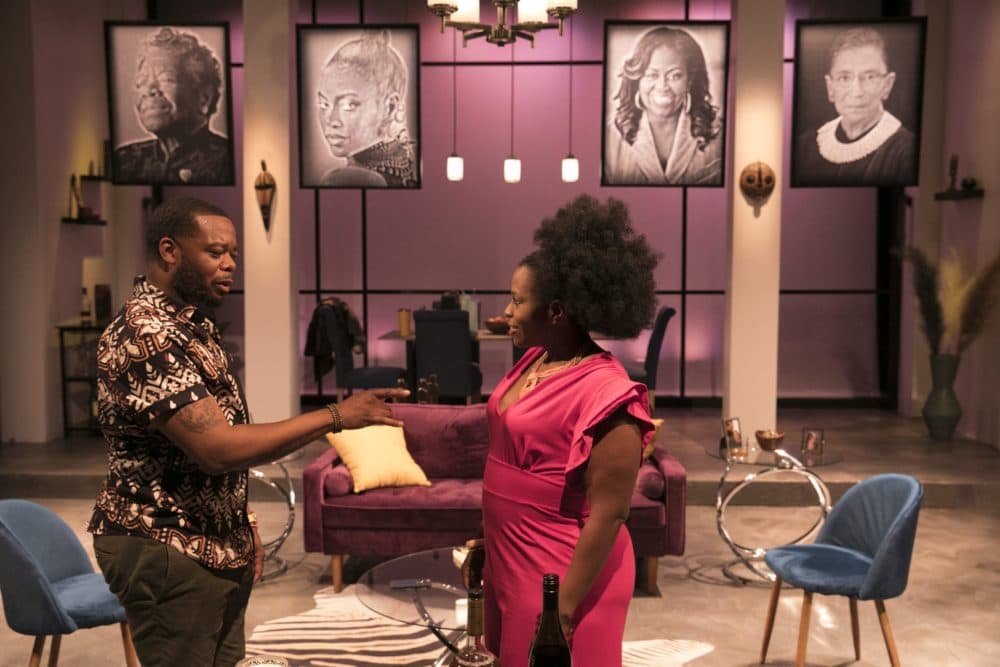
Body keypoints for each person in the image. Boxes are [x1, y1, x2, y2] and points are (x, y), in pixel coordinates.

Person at [88, 197, 408, 667]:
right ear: (169, 251)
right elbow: (215, 448)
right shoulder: (145, 333)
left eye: (234, 254)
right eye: (215, 252)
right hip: (167, 544)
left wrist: (242, 523)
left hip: (213, 541)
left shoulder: (190, 327)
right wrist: (334, 417)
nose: (229, 265)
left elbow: (223, 440)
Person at [479, 195, 660, 666]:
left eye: (518, 300)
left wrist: (560, 610)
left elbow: (610, 514)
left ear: (556, 311)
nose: (507, 311)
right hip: (511, 555)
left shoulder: (608, 393)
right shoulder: (535, 360)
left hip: (562, 572)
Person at [794, 26, 917, 186]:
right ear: (830, 87)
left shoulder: (907, 150)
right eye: (844, 78)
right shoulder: (806, 146)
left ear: (887, 85)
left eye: (869, 77)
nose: (857, 92)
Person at [604, 26, 723, 186]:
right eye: (651, 75)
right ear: (637, 80)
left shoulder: (718, 132)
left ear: (689, 81)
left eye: (675, 76)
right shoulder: (612, 136)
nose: (662, 86)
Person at [114, 27, 233, 185]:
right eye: (141, 82)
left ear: (204, 99)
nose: (149, 90)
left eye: (167, 79)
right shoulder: (125, 160)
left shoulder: (227, 159)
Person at [317, 30, 417, 187]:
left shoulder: (351, 179)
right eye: (324, 104)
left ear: (390, 107)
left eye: (349, 105)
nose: (331, 120)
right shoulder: (405, 160)